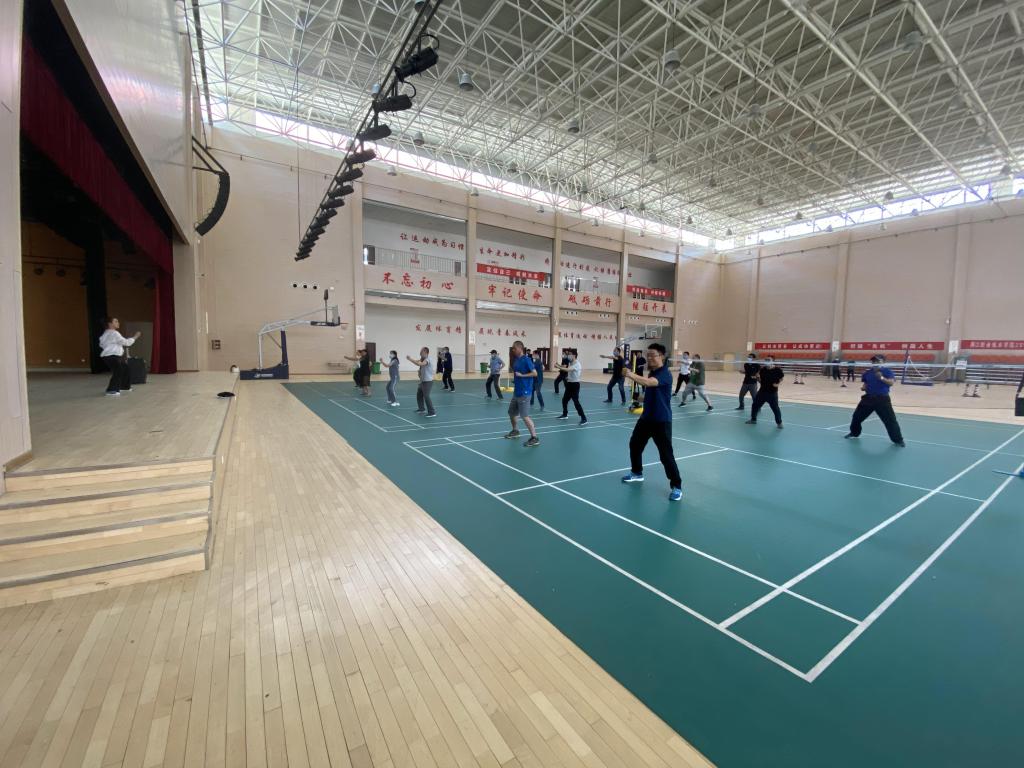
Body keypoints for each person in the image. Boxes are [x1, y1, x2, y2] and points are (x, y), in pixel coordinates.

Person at [620, 343, 683, 501]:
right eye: (647, 355)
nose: (649, 358)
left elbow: (649, 383)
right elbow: (650, 392)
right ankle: (637, 473)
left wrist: (629, 374)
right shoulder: (652, 373)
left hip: (661, 421)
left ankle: (677, 486)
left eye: (652, 355)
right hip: (646, 419)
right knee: (635, 444)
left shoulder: (665, 374)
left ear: (661, 356)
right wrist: (638, 398)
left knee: (666, 456)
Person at [845, 355, 905, 446]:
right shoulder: (867, 373)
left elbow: (891, 383)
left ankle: (898, 440)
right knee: (856, 417)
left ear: (883, 362)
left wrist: (881, 378)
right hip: (868, 399)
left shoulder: (887, 371)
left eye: (878, 361)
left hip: (882, 400)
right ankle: (854, 433)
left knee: (890, 421)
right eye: (873, 361)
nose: (875, 363)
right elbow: (866, 384)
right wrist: (864, 387)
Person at [504, 340, 540, 447]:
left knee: (524, 416)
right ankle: (515, 431)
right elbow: (517, 373)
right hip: (517, 391)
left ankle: (534, 437)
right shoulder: (516, 360)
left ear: (520, 348)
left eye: (514, 348)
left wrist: (522, 376)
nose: (513, 350)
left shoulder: (527, 360)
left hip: (525, 391)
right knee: (511, 412)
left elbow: (535, 373)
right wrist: (516, 379)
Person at [98, 317, 141, 396]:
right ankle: (111, 390)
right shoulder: (114, 333)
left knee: (125, 368)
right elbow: (127, 343)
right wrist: (135, 337)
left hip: (110, 356)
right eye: (116, 321)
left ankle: (124, 387)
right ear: (110, 324)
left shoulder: (106, 333)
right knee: (118, 371)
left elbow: (101, 344)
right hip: (111, 356)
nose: (118, 323)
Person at [746, 355, 784, 428]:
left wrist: (778, 384)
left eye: (768, 360)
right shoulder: (763, 370)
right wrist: (757, 378)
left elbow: (781, 378)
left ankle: (779, 423)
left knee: (775, 408)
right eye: (765, 360)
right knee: (755, 406)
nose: (766, 361)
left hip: (772, 393)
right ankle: (753, 420)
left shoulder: (778, 370)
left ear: (773, 361)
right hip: (762, 392)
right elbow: (761, 381)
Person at [554, 350, 587, 424]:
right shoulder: (570, 363)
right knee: (564, 400)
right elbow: (570, 372)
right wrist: (568, 377)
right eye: (568, 355)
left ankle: (584, 418)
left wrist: (558, 367)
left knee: (576, 402)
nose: (568, 356)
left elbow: (568, 369)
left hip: (575, 385)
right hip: (569, 384)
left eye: (570, 354)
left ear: (574, 355)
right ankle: (565, 414)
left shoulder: (577, 364)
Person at [406, 347, 436, 417]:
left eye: (421, 352)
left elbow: (421, 364)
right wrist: (411, 360)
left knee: (426, 396)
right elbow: (418, 362)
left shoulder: (428, 359)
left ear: (425, 352)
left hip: (428, 381)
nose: (420, 353)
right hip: (422, 381)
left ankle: (432, 412)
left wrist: (410, 359)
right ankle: (421, 409)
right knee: (419, 394)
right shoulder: (422, 359)